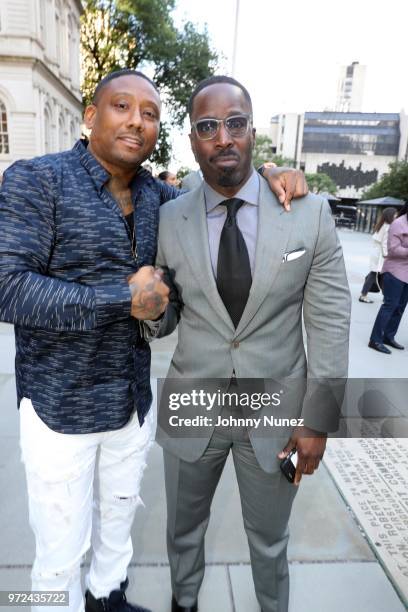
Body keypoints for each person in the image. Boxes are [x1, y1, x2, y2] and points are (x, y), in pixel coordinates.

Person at [0, 69, 308, 612]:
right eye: (122, 106)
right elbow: (9, 289)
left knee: (117, 529)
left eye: (149, 114)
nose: (137, 121)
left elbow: (220, 186)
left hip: (130, 407)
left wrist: (267, 170)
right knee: (59, 552)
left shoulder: (159, 196)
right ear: (91, 116)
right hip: (59, 410)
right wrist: (123, 298)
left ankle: (107, 601)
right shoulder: (36, 180)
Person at [154, 75, 351, 612]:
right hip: (192, 401)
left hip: (277, 412)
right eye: (208, 126)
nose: (224, 137)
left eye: (235, 123)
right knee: (182, 532)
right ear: (193, 140)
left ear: (252, 131)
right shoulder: (168, 218)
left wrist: (318, 419)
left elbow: (331, 320)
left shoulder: (308, 213)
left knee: (269, 542)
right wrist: (150, 312)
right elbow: (165, 315)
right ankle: (184, 604)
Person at [369, 203, 408, 354]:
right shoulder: (398, 224)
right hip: (395, 272)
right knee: (389, 306)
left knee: (400, 308)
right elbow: (393, 250)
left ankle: (388, 337)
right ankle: (375, 339)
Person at [359, 207, 397, 303]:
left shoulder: (382, 225)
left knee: (378, 275)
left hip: (376, 253)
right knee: (375, 274)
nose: (396, 216)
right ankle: (364, 295)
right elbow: (384, 243)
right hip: (380, 254)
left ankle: (384, 297)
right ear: (390, 215)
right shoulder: (388, 226)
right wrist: (386, 255)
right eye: (395, 214)